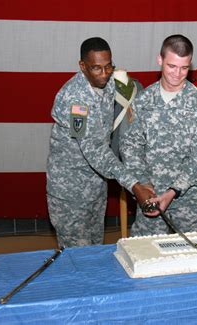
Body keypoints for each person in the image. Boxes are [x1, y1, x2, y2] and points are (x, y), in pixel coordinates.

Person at [46, 37, 154, 247]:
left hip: (95, 185)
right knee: (76, 257)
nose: (104, 74)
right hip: (70, 191)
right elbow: (95, 151)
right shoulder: (76, 99)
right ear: (82, 66)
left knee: (95, 250)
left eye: (108, 66)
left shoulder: (108, 81)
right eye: (96, 68)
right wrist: (134, 184)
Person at [120, 34, 197, 236]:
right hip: (151, 197)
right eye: (171, 66)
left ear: (190, 65)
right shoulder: (142, 101)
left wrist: (173, 191)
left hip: (190, 201)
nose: (177, 73)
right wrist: (144, 186)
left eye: (184, 68)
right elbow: (130, 147)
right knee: (145, 256)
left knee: (192, 260)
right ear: (160, 60)